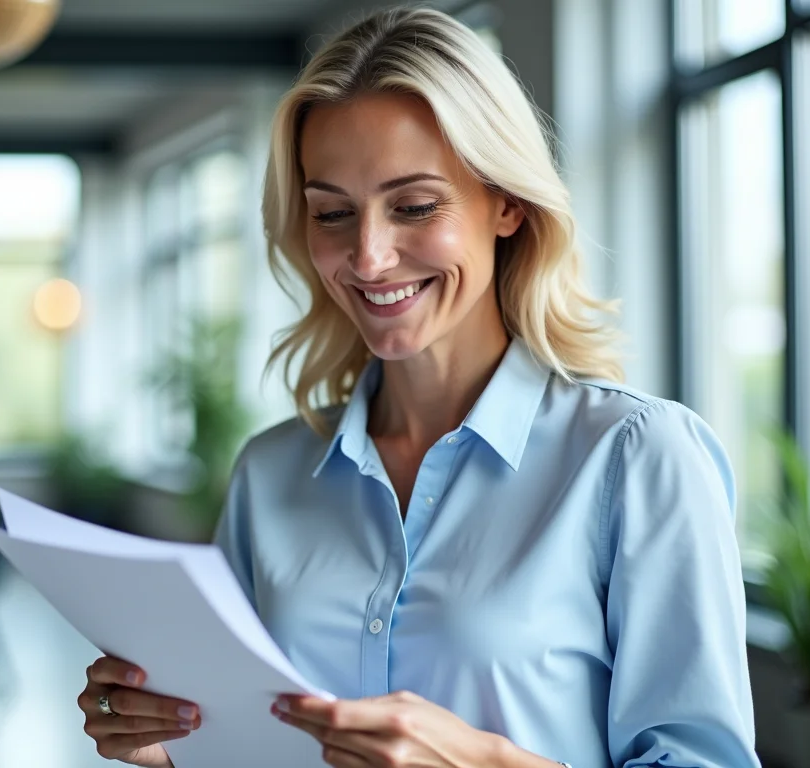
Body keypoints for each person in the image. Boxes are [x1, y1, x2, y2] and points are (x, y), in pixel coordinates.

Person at [76, 7, 758, 768]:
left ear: (508, 203)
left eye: (415, 206)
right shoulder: (269, 477)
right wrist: (167, 745)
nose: (367, 258)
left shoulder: (636, 458)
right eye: (332, 213)